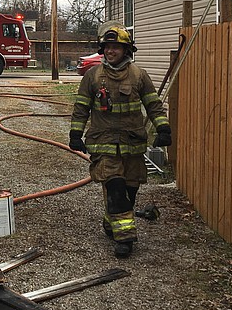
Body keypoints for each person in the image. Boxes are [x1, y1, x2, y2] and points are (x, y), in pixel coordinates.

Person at [69, 21, 171, 258]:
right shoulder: (93, 76)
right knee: (115, 188)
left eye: (116, 47)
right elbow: (81, 107)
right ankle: (126, 239)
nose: (111, 51)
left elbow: (153, 105)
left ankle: (111, 220)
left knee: (129, 191)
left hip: (133, 144)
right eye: (107, 46)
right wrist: (75, 133)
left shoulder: (139, 76)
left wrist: (164, 129)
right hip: (103, 143)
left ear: (127, 50)